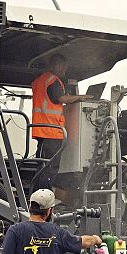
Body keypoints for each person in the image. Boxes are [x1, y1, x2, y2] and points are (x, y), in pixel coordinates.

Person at [30, 53, 94, 202]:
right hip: (52, 130)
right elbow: (62, 99)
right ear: (58, 65)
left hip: (41, 129)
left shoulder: (40, 80)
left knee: (42, 166)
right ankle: (43, 199)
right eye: (64, 67)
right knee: (50, 168)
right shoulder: (53, 80)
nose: (65, 71)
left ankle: (36, 195)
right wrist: (80, 97)